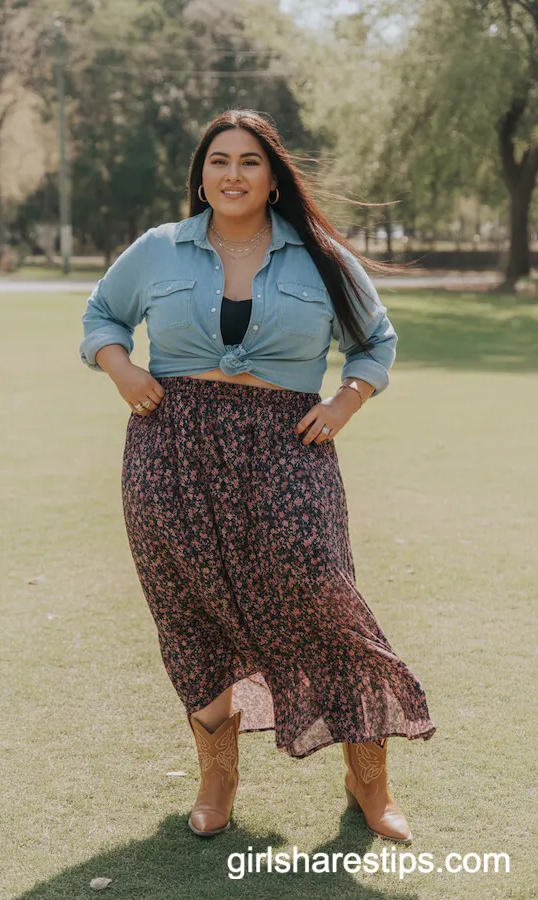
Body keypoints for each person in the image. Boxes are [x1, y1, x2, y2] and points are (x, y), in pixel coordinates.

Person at [80, 109, 436, 845]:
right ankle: (219, 778)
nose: (232, 174)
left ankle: (370, 781)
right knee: (189, 611)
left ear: (273, 178)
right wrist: (120, 368)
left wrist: (346, 400)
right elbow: (101, 317)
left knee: (322, 598)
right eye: (218, 161)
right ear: (200, 174)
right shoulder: (157, 250)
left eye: (248, 162)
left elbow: (377, 341)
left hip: (287, 444)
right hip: (169, 446)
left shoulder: (321, 257)